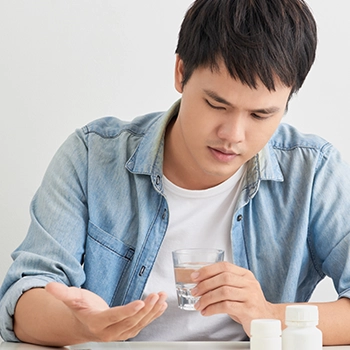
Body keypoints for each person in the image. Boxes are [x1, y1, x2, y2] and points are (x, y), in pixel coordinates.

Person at [1, 0, 350, 346]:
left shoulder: (313, 172)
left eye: (261, 115)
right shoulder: (92, 157)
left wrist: (269, 316)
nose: (233, 135)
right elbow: (23, 301)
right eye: (216, 104)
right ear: (181, 72)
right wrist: (85, 326)